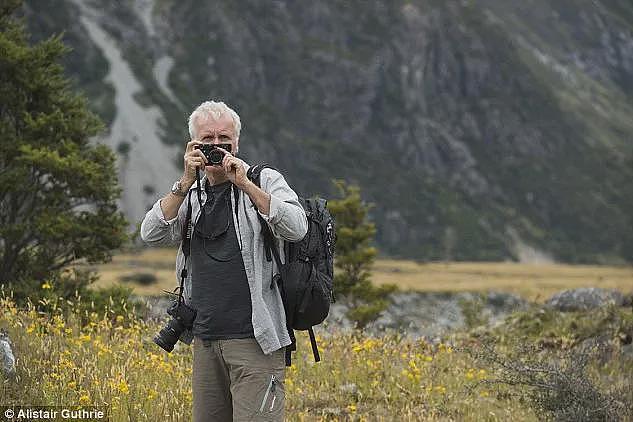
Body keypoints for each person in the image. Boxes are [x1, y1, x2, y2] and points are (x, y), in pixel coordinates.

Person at [140, 100, 308, 421]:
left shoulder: (263, 179)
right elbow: (151, 232)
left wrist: (244, 183)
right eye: (208, 140)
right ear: (194, 144)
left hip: (256, 341)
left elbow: (296, 226)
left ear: (237, 142)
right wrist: (184, 182)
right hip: (205, 340)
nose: (216, 146)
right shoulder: (191, 193)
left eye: (223, 139)